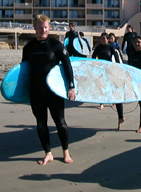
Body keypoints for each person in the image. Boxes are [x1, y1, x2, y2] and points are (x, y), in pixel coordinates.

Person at [22, 14, 76, 165]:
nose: (43, 30)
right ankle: (48, 153)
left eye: (45, 27)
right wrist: (22, 92)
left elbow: (67, 66)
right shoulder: (28, 48)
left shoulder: (56, 45)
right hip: (36, 91)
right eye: (40, 27)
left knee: (60, 122)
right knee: (40, 123)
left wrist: (71, 87)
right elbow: (24, 71)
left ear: (49, 28)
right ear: (35, 28)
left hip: (54, 90)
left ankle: (66, 152)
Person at [92, 33, 124, 129]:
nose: (102, 40)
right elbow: (93, 59)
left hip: (111, 72)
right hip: (101, 72)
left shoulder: (111, 48)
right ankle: (102, 104)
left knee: (116, 94)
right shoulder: (97, 48)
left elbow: (117, 60)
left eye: (104, 38)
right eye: (101, 38)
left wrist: (119, 71)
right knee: (101, 90)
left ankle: (120, 118)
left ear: (108, 39)